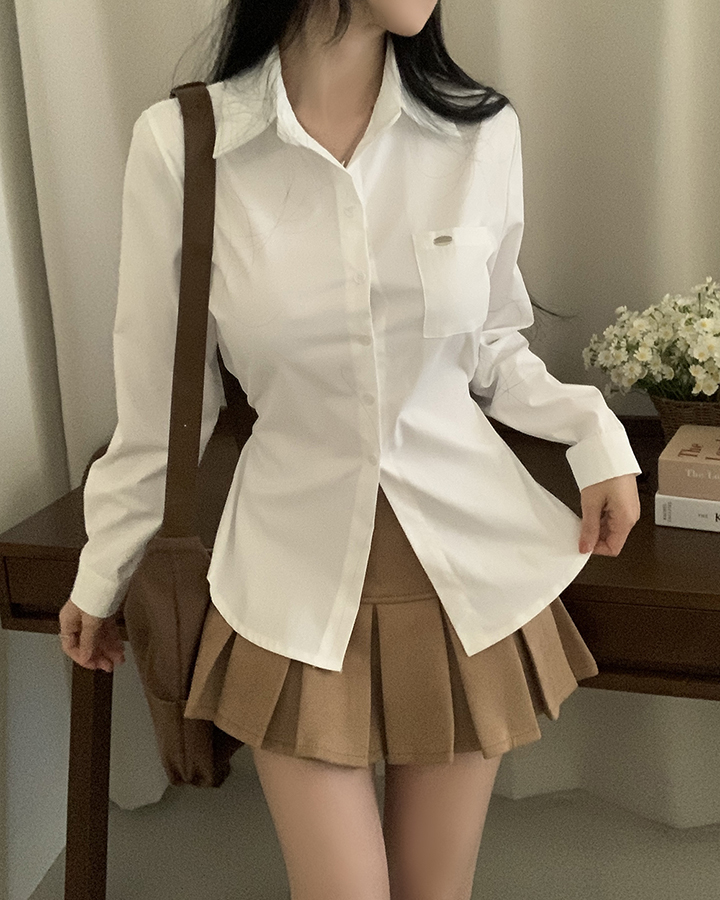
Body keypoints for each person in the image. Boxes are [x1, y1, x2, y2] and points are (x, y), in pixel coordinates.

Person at [59, 1, 642, 898]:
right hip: (292, 580)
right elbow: (164, 405)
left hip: (462, 571)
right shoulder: (184, 146)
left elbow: (491, 344)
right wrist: (105, 568)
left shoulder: (478, 133)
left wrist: (594, 434)